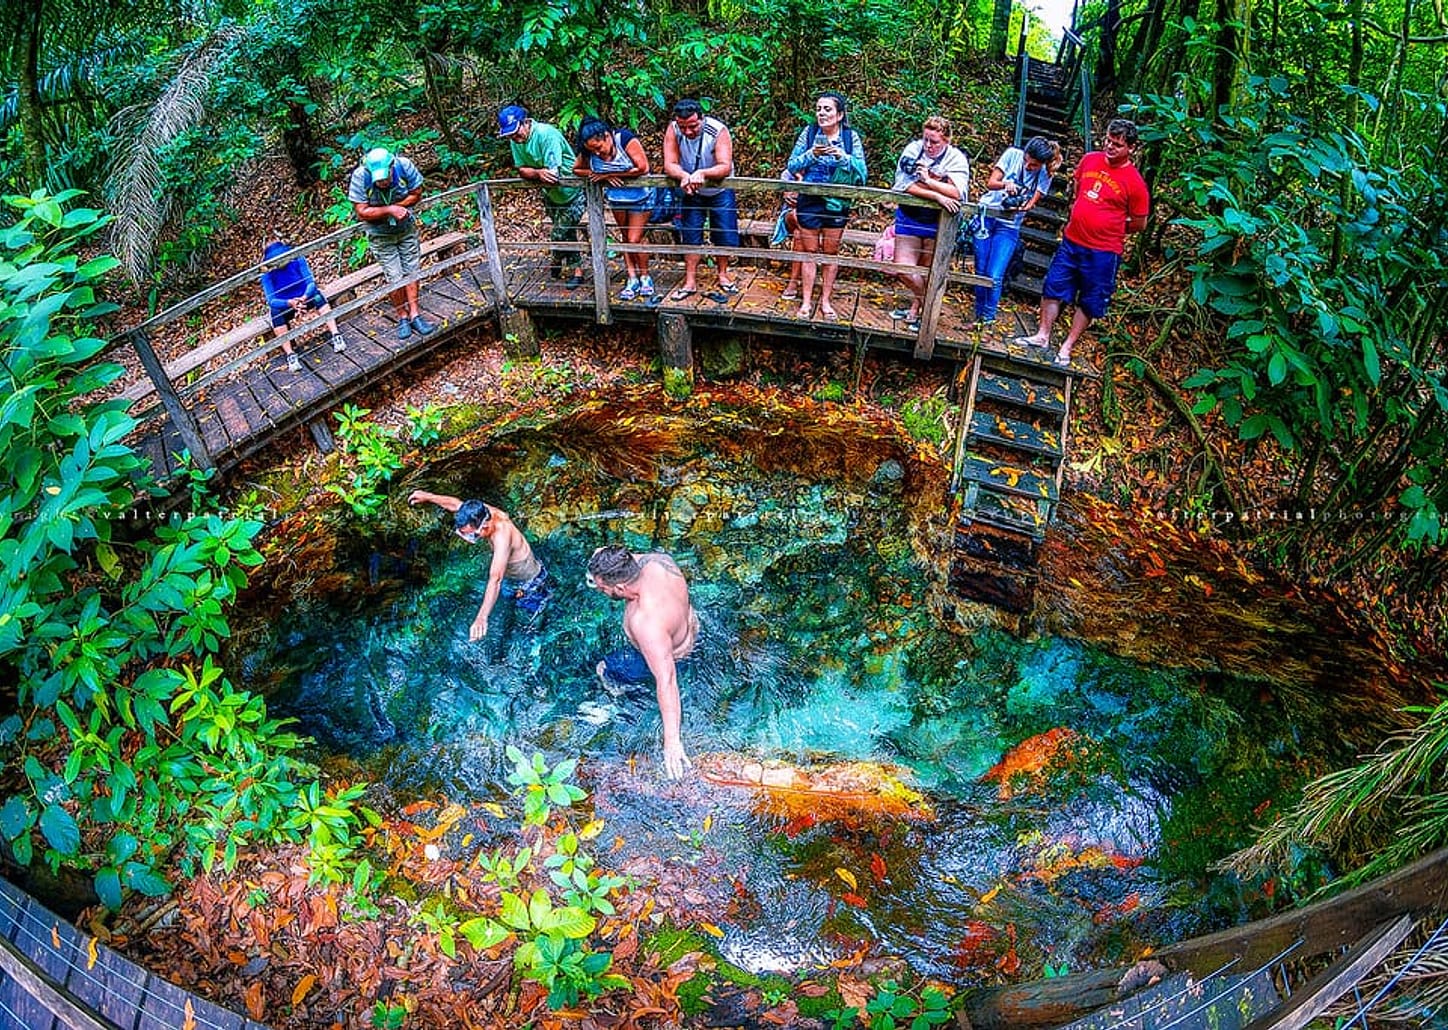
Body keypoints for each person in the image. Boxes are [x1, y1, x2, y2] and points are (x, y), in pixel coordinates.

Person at [1018, 119, 1148, 366]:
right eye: (1108, 140)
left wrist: (1110, 228)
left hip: (1104, 251)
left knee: (1090, 298)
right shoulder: (1090, 160)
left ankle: (1067, 346)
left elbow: (1140, 223)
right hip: (1072, 240)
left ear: (1131, 148)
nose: (1110, 146)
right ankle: (1042, 335)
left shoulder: (1135, 183)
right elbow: (1078, 188)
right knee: (1053, 285)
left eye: (1117, 144)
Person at [586, 545, 698, 779]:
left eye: (602, 587)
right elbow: (608, 552)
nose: (600, 590)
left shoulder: (646, 622)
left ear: (620, 587)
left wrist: (672, 742)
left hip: (669, 657)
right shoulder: (658, 562)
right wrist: (599, 566)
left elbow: (667, 680)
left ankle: (616, 699)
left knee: (603, 668)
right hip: (691, 632)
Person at [407, 491, 552, 646]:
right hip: (512, 580)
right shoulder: (481, 511)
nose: (469, 539)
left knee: (530, 626)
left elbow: (495, 579)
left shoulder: (502, 537)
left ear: (485, 526)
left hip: (531, 584)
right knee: (508, 606)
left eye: (473, 535)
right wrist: (428, 497)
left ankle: (539, 643)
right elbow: (456, 504)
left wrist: (481, 617)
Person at [783, 92, 867, 320]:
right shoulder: (809, 134)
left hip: (838, 201)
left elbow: (862, 171)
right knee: (810, 251)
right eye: (819, 108)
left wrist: (842, 156)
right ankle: (807, 302)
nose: (821, 113)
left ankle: (826, 300)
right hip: (810, 199)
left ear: (839, 114)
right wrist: (812, 154)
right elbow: (792, 164)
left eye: (827, 109)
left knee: (831, 252)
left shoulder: (850, 138)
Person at [887, 115, 970, 330]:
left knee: (926, 268)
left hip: (938, 222)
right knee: (903, 268)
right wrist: (937, 195)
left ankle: (916, 310)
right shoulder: (913, 150)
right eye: (926, 140)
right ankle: (928, 303)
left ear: (947, 140)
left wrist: (928, 180)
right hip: (910, 216)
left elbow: (957, 192)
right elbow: (903, 185)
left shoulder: (956, 159)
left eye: (934, 142)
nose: (928, 146)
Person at [347, 146, 438, 340]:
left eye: (385, 177)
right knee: (395, 276)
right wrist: (389, 210)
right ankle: (402, 316)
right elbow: (362, 211)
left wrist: (399, 207)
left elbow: (416, 192)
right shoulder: (360, 177)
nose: (383, 182)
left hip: (406, 230)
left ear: (391, 167)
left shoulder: (403, 166)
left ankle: (415, 313)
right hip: (380, 235)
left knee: (412, 271)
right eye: (378, 180)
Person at [973, 136, 1061, 325]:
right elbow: (991, 183)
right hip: (987, 216)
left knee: (995, 274)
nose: (1028, 166)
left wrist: (1020, 205)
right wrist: (1006, 184)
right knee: (980, 270)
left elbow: (1030, 203)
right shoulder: (1013, 154)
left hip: (1009, 225)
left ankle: (987, 320)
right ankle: (977, 316)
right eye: (1026, 161)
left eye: (1033, 165)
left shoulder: (1045, 173)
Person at [498, 104, 586, 286]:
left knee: (560, 232)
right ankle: (572, 268)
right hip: (551, 195)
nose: (514, 137)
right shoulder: (516, 141)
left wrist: (537, 173)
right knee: (565, 230)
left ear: (525, 123)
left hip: (572, 190)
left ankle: (560, 261)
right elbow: (521, 169)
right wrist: (537, 173)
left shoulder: (546, 134)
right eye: (510, 135)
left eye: (516, 132)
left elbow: (552, 175)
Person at [662, 98, 740, 300]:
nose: (688, 131)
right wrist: (683, 176)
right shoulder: (673, 129)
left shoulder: (718, 130)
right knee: (690, 233)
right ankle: (690, 280)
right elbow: (669, 162)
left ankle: (723, 275)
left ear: (702, 119)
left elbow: (724, 165)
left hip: (719, 190)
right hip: (691, 189)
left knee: (723, 232)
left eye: (693, 126)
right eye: (683, 126)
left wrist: (703, 173)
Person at [574, 117, 655, 301]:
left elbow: (642, 167)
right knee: (625, 237)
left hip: (641, 197)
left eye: (599, 146)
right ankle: (632, 277)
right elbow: (577, 169)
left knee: (635, 239)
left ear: (608, 136)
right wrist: (599, 175)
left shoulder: (625, 139)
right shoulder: (589, 152)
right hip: (617, 199)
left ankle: (645, 276)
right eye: (592, 149)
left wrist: (611, 173)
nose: (597, 152)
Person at [259, 239, 347, 373]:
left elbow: (310, 282)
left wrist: (304, 297)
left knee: (318, 296)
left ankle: (335, 334)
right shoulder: (267, 275)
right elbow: (271, 300)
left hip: (305, 296)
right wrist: (290, 303)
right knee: (275, 313)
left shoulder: (298, 260)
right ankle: (290, 354)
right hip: (286, 304)